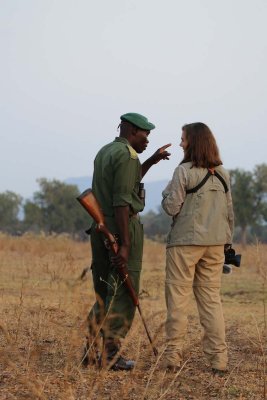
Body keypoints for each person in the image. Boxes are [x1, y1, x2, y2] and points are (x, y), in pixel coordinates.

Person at [84, 112, 171, 371]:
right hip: (120, 228)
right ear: (133, 131)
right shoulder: (129, 156)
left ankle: (90, 352)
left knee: (103, 292)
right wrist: (124, 244)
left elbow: (125, 185)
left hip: (101, 227)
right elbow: (122, 200)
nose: (147, 140)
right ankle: (110, 355)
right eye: (145, 134)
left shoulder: (107, 151)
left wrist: (152, 161)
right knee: (122, 291)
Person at [161, 122, 234, 375]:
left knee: (178, 301)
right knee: (211, 302)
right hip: (215, 245)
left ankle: (172, 358)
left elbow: (171, 207)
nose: (181, 143)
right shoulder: (223, 173)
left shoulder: (183, 171)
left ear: (193, 141)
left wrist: (165, 193)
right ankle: (219, 361)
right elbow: (229, 213)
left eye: (183, 139)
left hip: (184, 243)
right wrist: (227, 244)